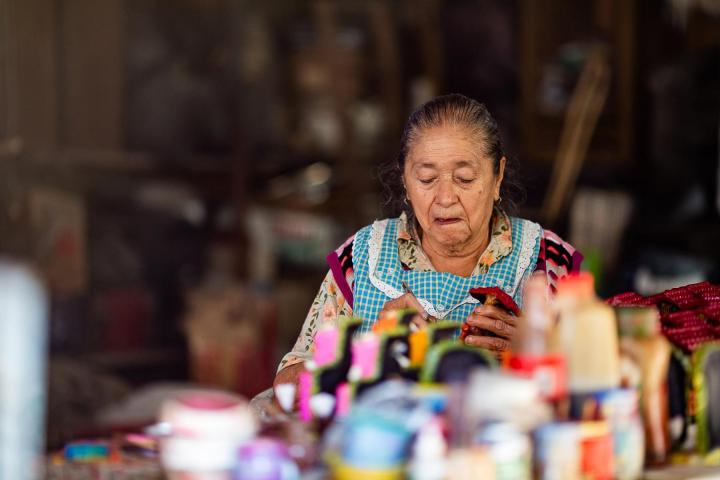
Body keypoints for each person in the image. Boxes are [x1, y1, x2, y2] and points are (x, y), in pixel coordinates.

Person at [274, 94, 582, 389]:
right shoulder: (362, 259)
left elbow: (605, 382)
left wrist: (537, 353)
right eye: (426, 179)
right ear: (405, 181)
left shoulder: (546, 261)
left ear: (497, 177)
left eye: (464, 178)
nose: (445, 198)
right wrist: (371, 355)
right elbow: (287, 384)